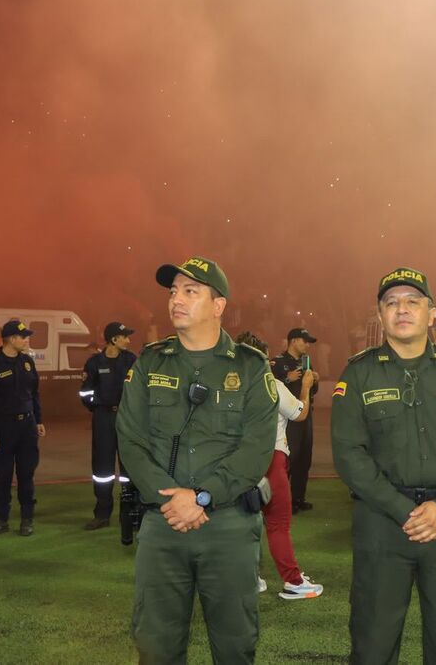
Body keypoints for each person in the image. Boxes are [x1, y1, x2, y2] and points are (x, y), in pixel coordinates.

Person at [331, 267, 436, 664]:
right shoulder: (359, 372)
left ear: (431, 312)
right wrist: (404, 510)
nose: (401, 309)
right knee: (373, 639)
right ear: (380, 315)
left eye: (412, 301)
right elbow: (349, 454)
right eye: (391, 303)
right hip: (383, 523)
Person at [117, 256, 276, 664]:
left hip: (229, 527)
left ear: (218, 305)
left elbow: (256, 449)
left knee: (235, 643)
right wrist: (170, 498)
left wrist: (202, 496)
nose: (176, 300)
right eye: (173, 292)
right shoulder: (150, 362)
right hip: (163, 524)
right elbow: (130, 439)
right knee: (155, 644)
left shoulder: (251, 367)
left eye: (191, 291)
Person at [235, 331, 324, 601]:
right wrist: (306, 386)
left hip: (237, 461)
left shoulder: (227, 385)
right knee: (278, 524)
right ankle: (293, 581)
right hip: (271, 459)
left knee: (243, 523)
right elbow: (300, 413)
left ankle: (247, 578)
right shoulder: (271, 384)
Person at [0, 320, 44, 536]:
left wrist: (39, 420)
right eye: (23, 336)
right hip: (3, 428)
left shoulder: (27, 362)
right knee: (3, 476)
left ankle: (27, 519)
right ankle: (1, 520)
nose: (27, 340)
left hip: (27, 426)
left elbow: (34, 394)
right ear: (11, 339)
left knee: (27, 475)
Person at [80, 321, 140, 543]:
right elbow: (85, 393)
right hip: (103, 418)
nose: (128, 340)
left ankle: (132, 516)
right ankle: (102, 515)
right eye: (125, 336)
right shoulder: (94, 362)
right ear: (114, 339)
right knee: (102, 470)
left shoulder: (132, 360)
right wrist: (99, 407)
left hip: (127, 418)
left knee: (129, 468)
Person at [270, 327, 320, 514]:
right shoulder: (277, 363)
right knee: (288, 459)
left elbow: (313, 391)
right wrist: (286, 378)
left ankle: (298, 498)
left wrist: (315, 380)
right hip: (287, 419)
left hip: (306, 415)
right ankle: (280, 501)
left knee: (304, 458)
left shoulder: (306, 363)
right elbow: (268, 386)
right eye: (304, 341)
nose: (307, 345)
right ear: (293, 341)